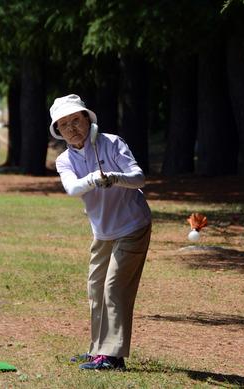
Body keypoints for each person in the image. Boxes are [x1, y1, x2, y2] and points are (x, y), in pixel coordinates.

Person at [49, 94, 152, 371]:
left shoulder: (112, 143)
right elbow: (72, 188)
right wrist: (96, 178)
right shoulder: (64, 160)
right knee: (96, 289)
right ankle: (97, 349)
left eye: (76, 120)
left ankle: (113, 356)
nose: (72, 128)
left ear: (87, 119)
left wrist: (116, 177)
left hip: (132, 225)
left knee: (114, 287)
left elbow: (139, 177)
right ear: (58, 131)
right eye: (64, 125)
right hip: (103, 230)